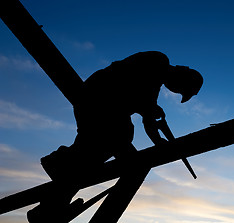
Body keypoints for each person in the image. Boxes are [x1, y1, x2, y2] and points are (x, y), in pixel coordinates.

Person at [41, 51, 203, 181]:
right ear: (183, 74)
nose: (175, 91)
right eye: (180, 89)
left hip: (101, 104)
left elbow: (143, 107)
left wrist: (156, 132)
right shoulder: (158, 61)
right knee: (119, 137)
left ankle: (61, 167)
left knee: (96, 145)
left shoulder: (155, 83)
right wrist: (156, 134)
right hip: (98, 98)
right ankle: (59, 163)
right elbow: (134, 92)